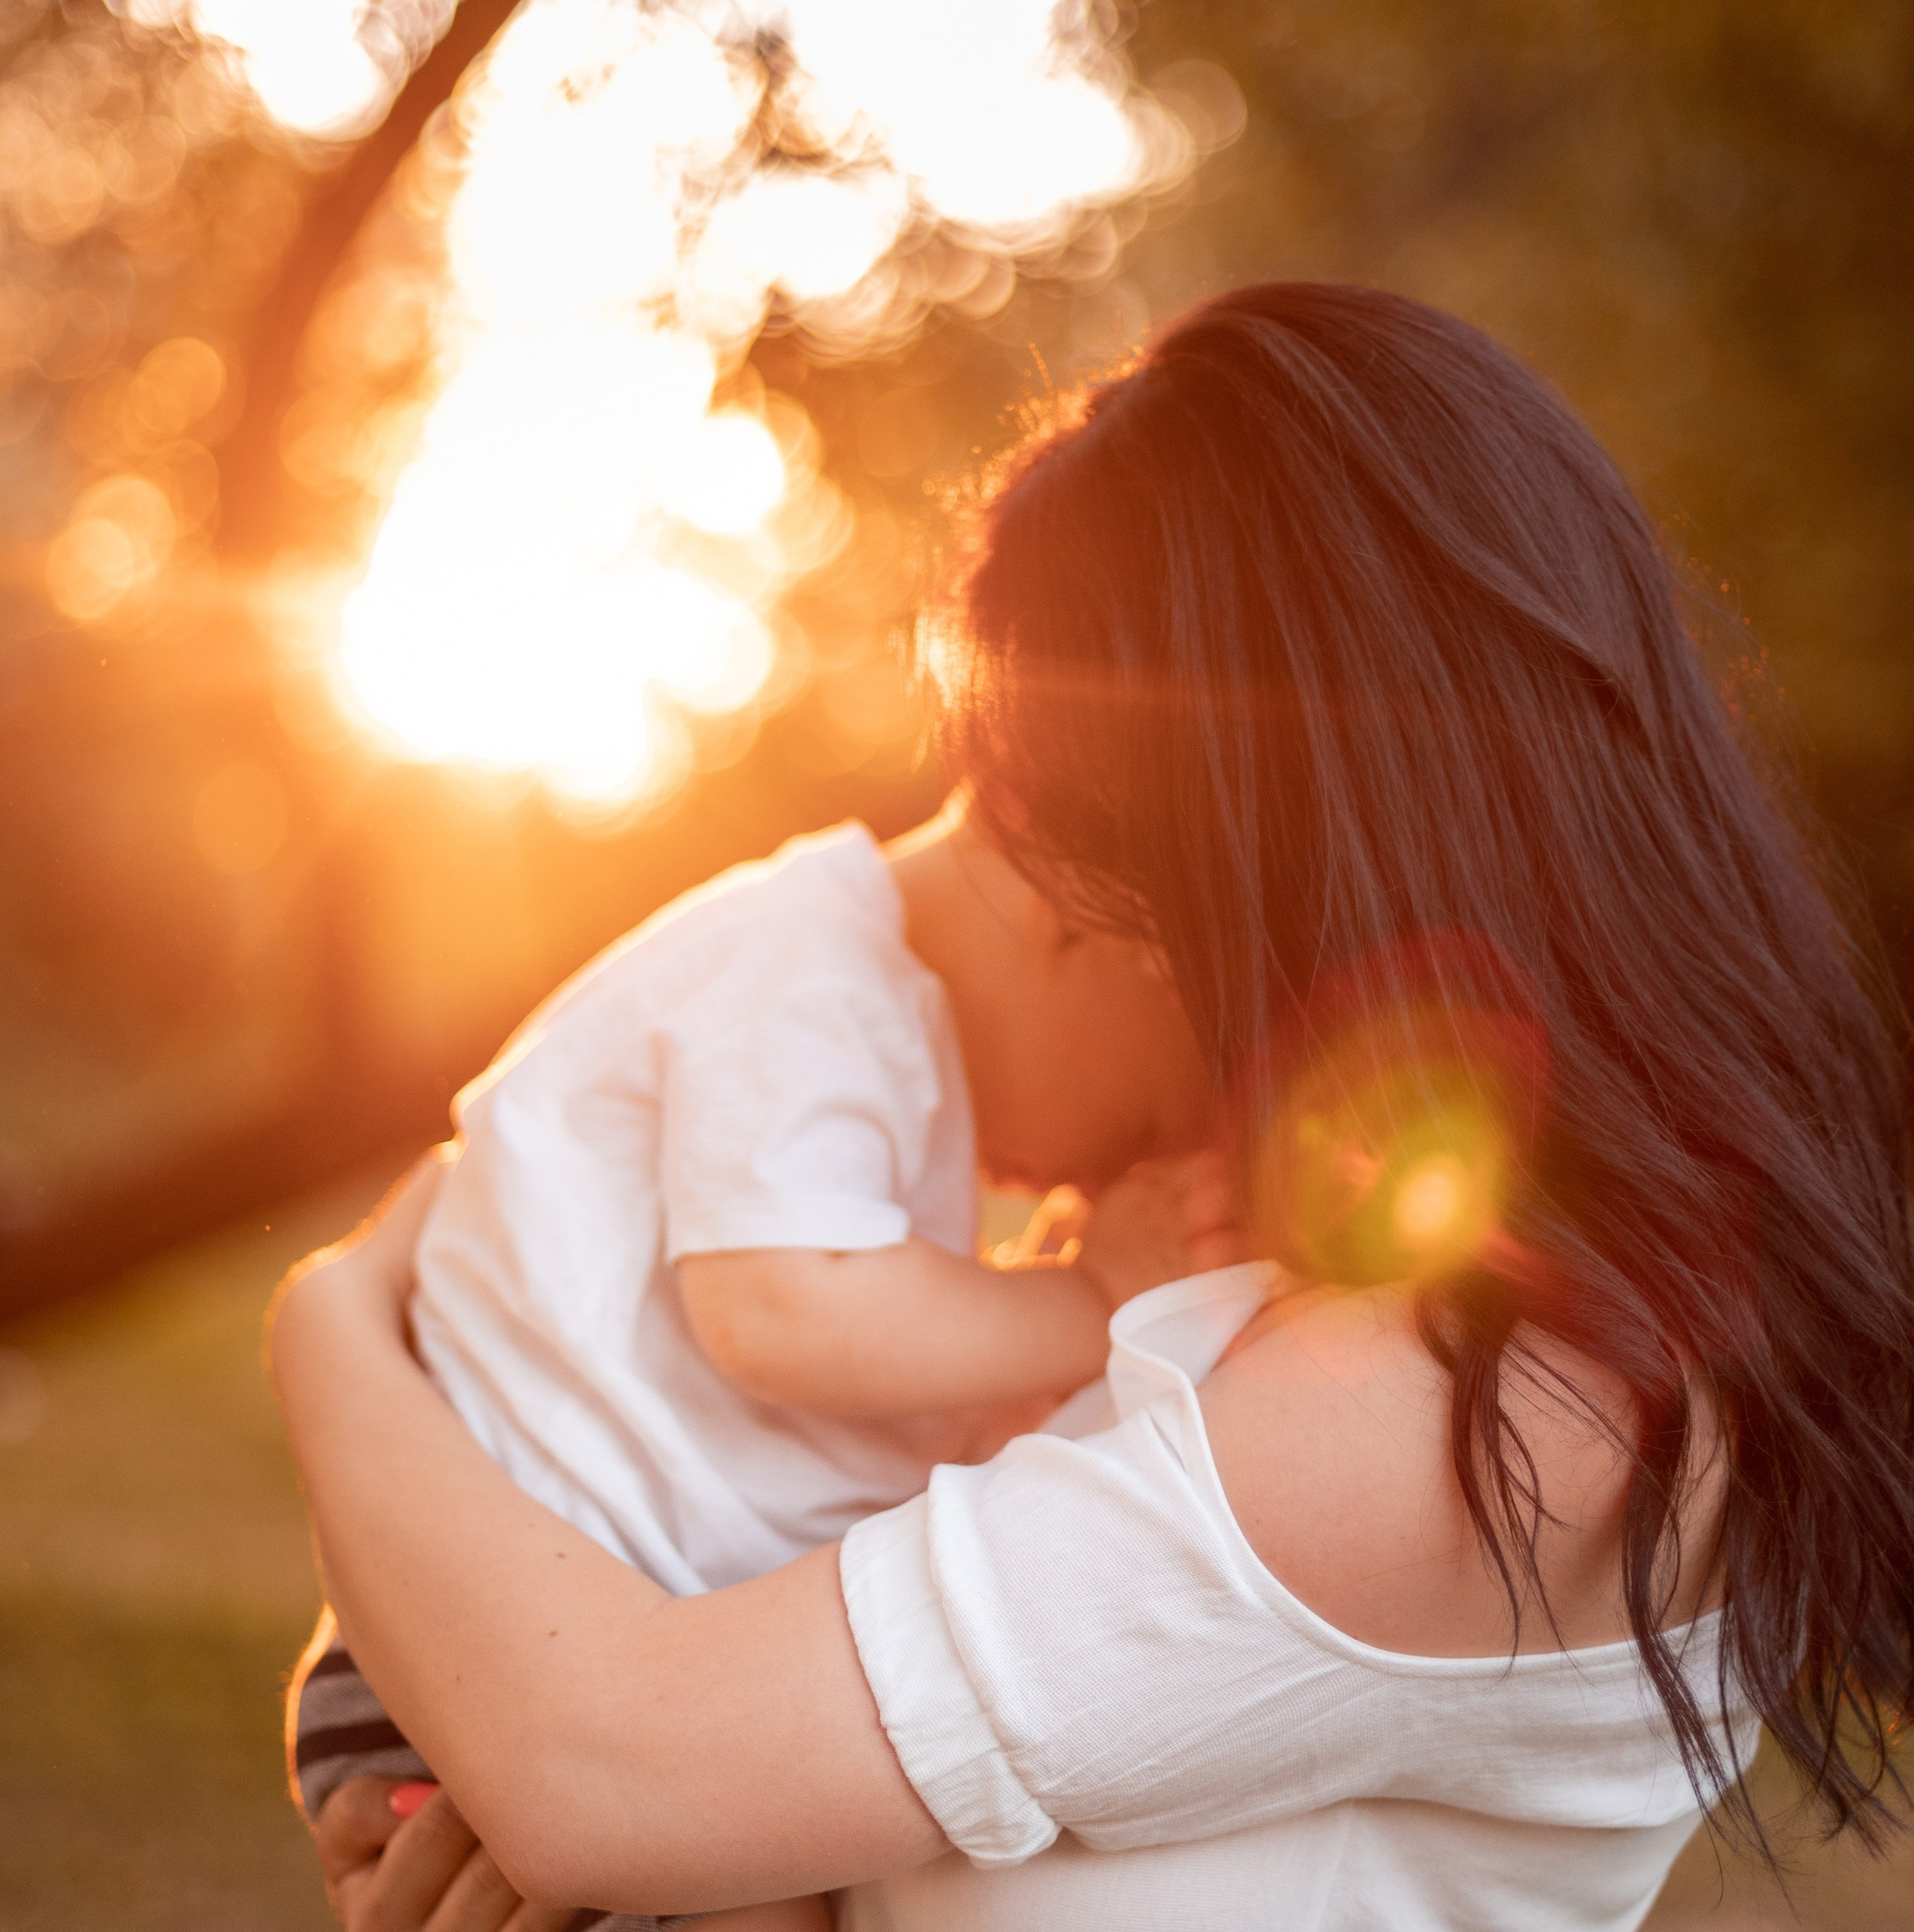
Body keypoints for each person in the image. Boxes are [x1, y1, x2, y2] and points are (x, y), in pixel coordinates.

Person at [274, 282, 1914, 1932]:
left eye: (1055, 854)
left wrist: (330, 1325)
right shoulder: (1392, 1342)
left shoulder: (1472, 1416)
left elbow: (602, 1773)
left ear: (1194, 882)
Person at [287, 798, 1241, 1932]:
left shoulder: (854, 1008)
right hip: (487, 1636)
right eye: (1142, 1123)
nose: (1094, 1178)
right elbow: (778, 1312)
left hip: (548, 1617)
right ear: (1076, 916)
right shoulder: (812, 976)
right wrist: (1087, 1297)